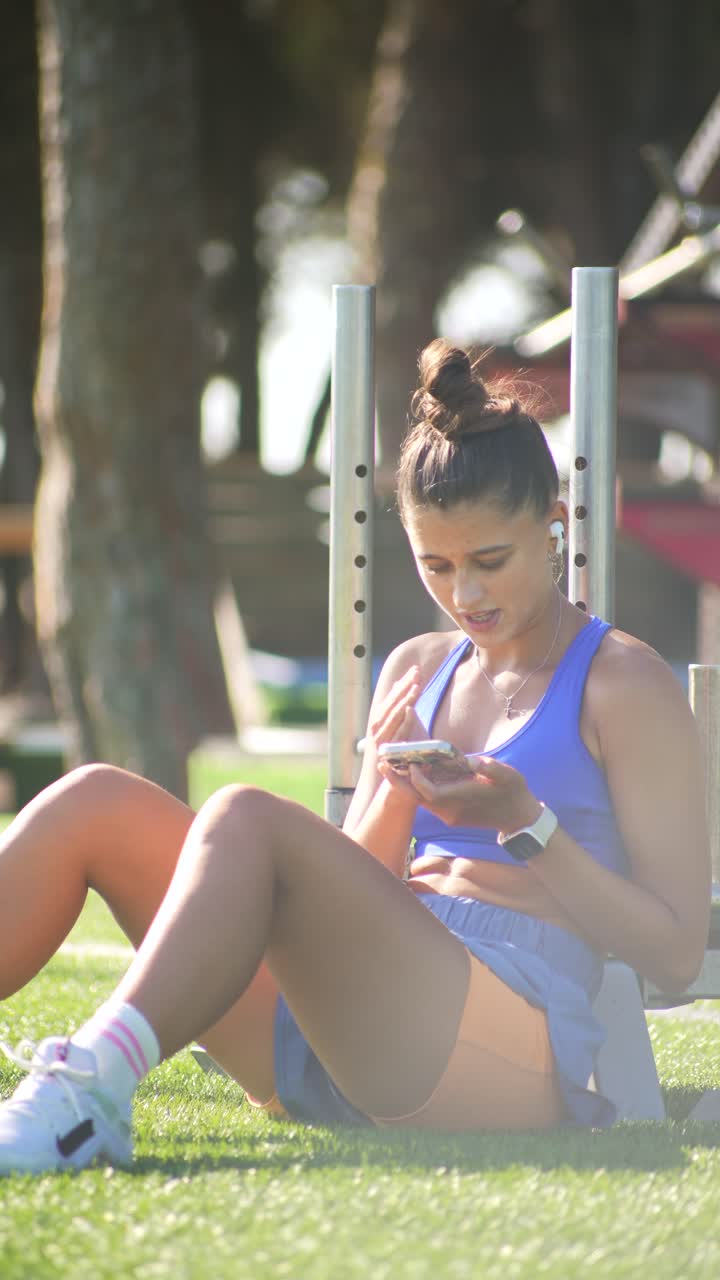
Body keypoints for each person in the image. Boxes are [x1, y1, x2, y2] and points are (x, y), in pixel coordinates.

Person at [0, 339, 711, 1173]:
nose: (466, 595)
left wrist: (528, 825)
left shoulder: (623, 681)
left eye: (491, 561)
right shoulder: (415, 669)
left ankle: (90, 1093)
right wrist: (396, 796)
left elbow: (672, 953)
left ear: (554, 527)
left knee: (245, 813)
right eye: (436, 565)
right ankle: (92, 1084)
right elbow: (348, 884)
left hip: (509, 1042)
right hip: (359, 1021)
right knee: (94, 801)